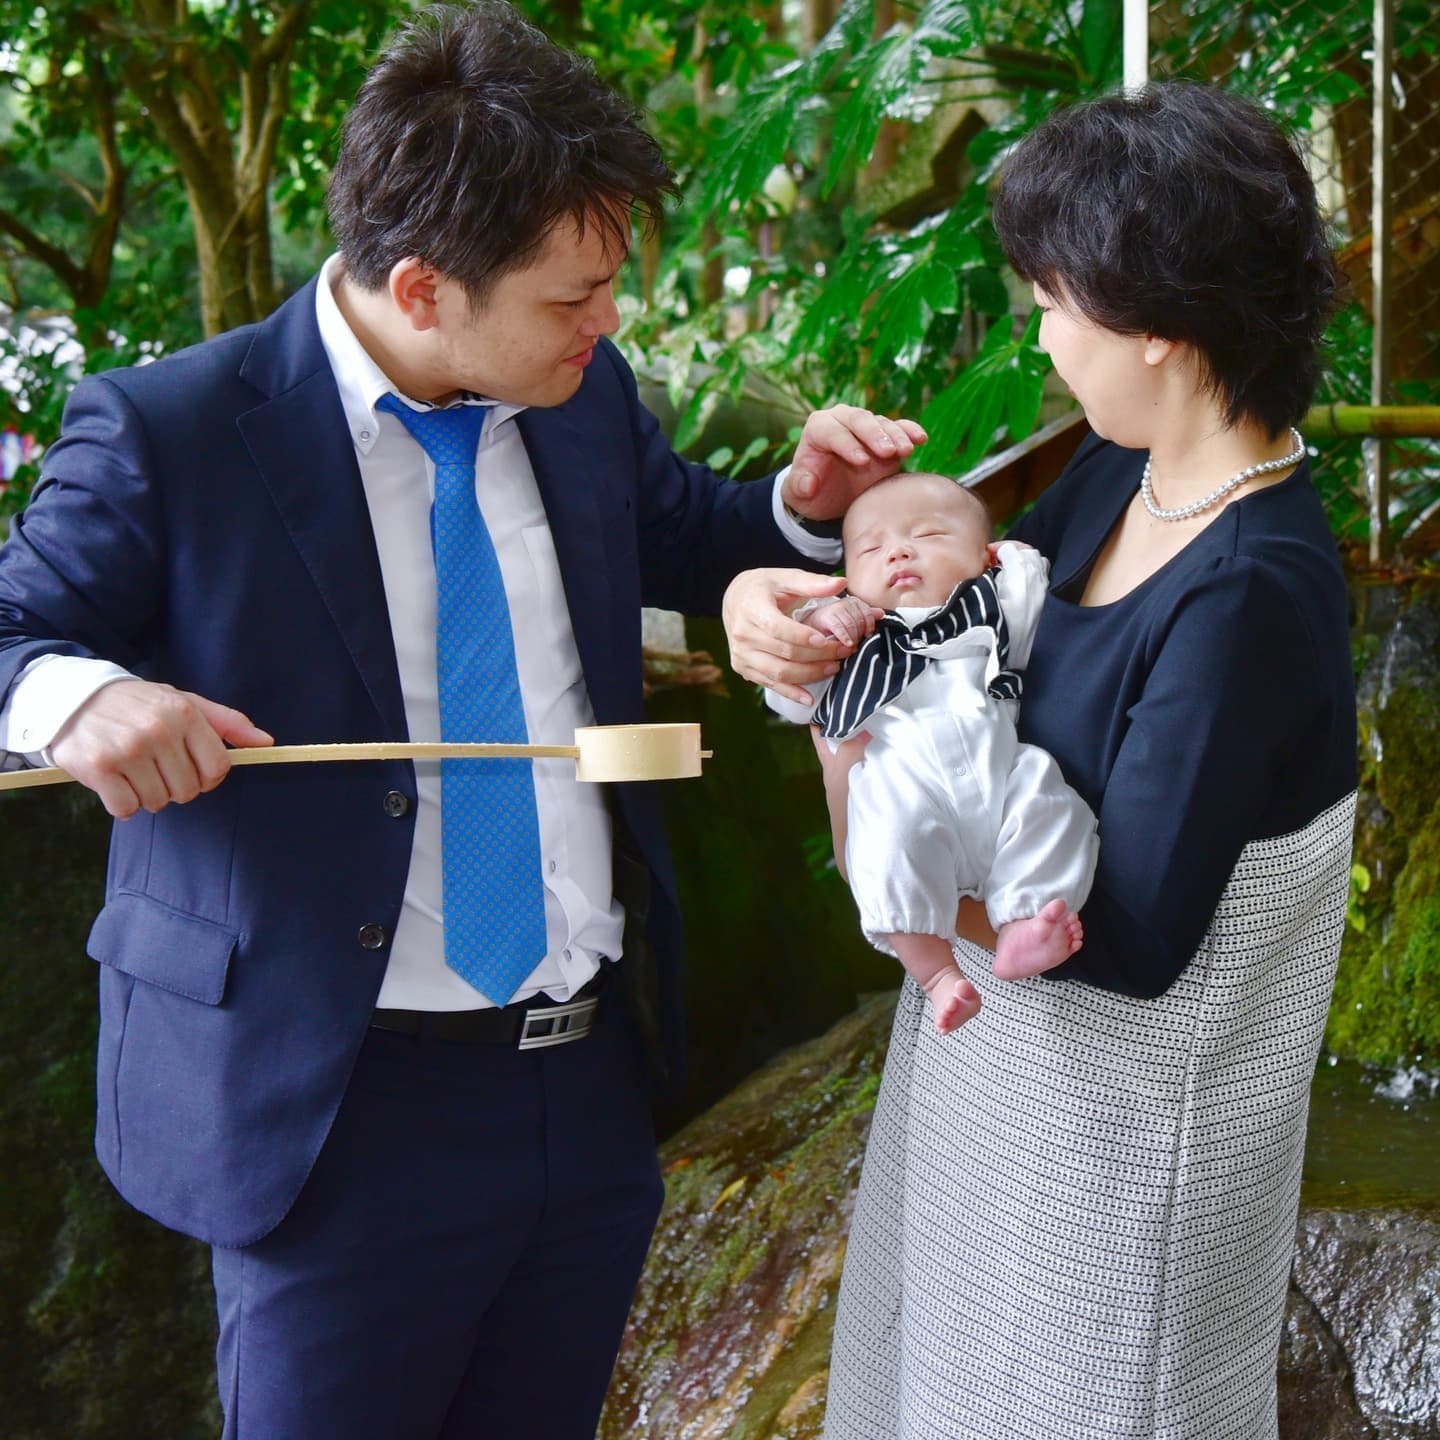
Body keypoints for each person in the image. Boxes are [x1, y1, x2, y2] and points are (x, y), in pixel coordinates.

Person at [0, 6, 924, 1437]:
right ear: (423, 288)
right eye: (575, 296)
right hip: (335, 1107)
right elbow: (15, 631)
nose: (607, 323)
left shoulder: (575, 396)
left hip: (584, 1083)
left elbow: (685, 533)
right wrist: (83, 697)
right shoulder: (169, 432)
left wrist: (800, 508)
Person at [723, 82, 1355, 1440]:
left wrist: (886, 852)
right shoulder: (1127, 474)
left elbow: (1128, 939)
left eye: (1057, 303)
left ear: (1159, 325)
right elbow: (966, 625)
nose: (1045, 335)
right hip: (993, 1115)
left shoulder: (1247, 591)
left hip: (1112, 1187)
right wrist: (829, 615)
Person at [765, 472, 1096, 1032]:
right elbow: (788, 699)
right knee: (885, 840)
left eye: (929, 535)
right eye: (871, 548)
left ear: (982, 556)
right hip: (906, 785)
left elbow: (1031, 591)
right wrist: (817, 625)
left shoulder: (990, 608)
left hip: (1000, 774)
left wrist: (1015, 561)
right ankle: (938, 974)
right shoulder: (850, 644)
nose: (897, 551)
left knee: (1050, 800)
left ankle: (1024, 920)